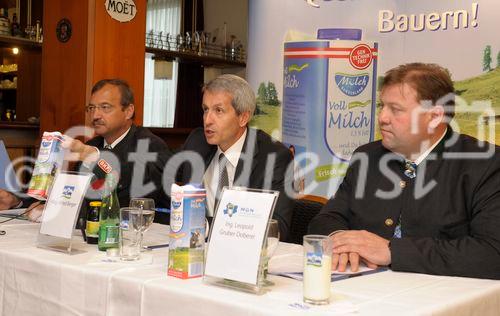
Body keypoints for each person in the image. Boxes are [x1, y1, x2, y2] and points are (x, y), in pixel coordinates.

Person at [308, 63, 500, 279]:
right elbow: (326, 218)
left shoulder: (487, 164)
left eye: (395, 109)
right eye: (382, 106)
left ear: (435, 117)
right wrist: (341, 240)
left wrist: (391, 251)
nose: (382, 117)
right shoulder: (367, 156)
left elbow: (492, 253)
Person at [0, 79, 173, 224]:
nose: (95, 115)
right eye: (91, 108)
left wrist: (59, 212)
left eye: (105, 107)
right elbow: (71, 190)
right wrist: (17, 201)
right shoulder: (94, 143)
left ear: (128, 111)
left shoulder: (151, 145)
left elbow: (126, 198)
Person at [176, 74, 294, 241]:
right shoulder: (197, 142)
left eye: (218, 110)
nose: (207, 120)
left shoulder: (274, 157)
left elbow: (276, 228)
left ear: (243, 118)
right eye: (205, 109)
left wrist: (204, 226)